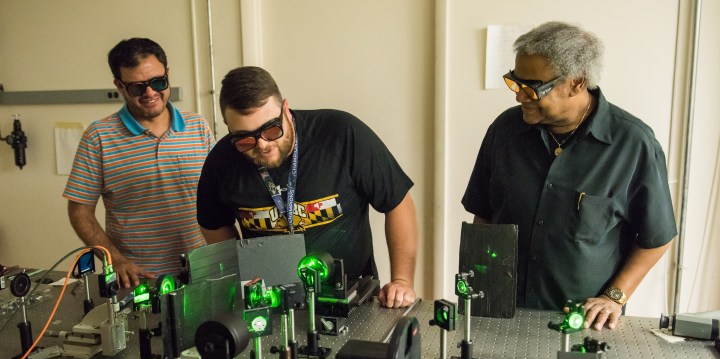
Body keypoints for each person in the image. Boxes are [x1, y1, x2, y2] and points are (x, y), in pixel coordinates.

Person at [461, 21, 677, 330]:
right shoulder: (504, 131)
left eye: (532, 87)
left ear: (576, 83)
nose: (520, 97)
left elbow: (657, 237)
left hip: (579, 322)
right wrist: (479, 292)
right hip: (499, 315)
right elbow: (483, 217)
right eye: (515, 82)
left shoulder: (634, 144)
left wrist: (614, 297)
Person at [196, 66, 417, 308]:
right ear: (229, 128)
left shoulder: (341, 134)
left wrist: (402, 280)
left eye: (271, 129)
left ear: (286, 110)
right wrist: (240, 276)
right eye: (245, 139)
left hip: (351, 296)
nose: (262, 145)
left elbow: (397, 201)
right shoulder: (221, 162)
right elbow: (213, 224)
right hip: (270, 301)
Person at [64, 38, 214, 288]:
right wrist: (115, 260)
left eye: (158, 82)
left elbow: (219, 197)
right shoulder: (98, 137)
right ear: (119, 85)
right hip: (138, 279)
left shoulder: (198, 127)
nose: (150, 93)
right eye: (137, 87)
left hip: (201, 271)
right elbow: (80, 211)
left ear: (168, 75)